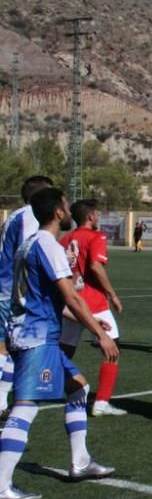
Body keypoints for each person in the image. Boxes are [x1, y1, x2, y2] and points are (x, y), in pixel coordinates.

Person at [0, 187, 119, 499]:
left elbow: (45, 299)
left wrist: (87, 321)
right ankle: (1, 483)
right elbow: (71, 296)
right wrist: (100, 333)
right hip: (37, 338)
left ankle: (79, 463)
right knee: (26, 406)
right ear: (58, 212)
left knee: (78, 387)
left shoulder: (27, 246)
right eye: (66, 206)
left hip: (33, 333)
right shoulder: (48, 246)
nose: (68, 211)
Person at [58, 199, 127, 416]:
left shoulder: (65, 239)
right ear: (90, 217)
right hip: (94, 304)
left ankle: (41, 386)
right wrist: (112, 294)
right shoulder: (96, 236)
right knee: (112, 349)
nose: (99, 218)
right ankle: (101, 402)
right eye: (97, 214)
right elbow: (96, 266)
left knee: (64, 351)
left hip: (71, 302)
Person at [0, 175, 53, 419]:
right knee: (9, 348)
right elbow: (29, 253)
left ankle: (3, 401)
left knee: (10, 348)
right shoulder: (30, 217)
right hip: (10, 294)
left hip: (6, 290)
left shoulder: (15, 215)